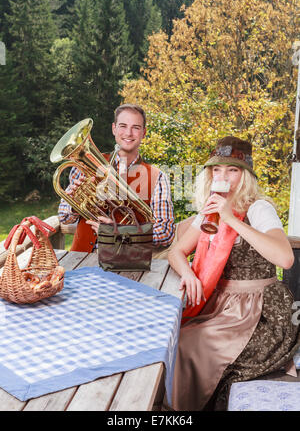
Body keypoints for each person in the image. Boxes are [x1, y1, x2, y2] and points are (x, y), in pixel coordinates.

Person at [167, 136, 300, 411]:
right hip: (221, 305)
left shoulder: (258, 208)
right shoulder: (210, 209)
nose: (223, 177)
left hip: (259, 310)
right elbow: (175, 252)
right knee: (171, 338)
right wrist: (189, 274)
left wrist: (230, 219)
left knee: (189, 347)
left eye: (232, 170)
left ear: (246, 175)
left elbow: (285, 258)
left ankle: (180, 409)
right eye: (217, 170)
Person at [58, 104, 191, 257]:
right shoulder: (84, 165)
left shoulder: (157, 177)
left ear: (144, 133)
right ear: (114, 129)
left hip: (127, 263)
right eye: (123, 126)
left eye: (135, 127)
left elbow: (165, 233)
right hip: (82, 257)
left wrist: (121, 232)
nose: (128, 133)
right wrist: (75, 204)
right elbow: (64, 217)